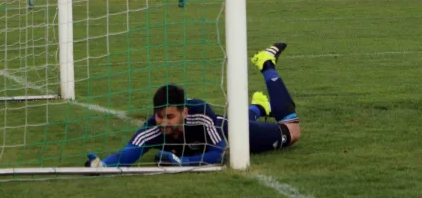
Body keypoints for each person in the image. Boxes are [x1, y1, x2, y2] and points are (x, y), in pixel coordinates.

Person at [85, 42, 301, 167]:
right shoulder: (155, 126)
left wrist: (183, 162)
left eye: (170, 117)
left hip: (226, 131)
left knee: (292, 131)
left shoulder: (201, 114)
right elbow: (131, 151)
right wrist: (102, 166)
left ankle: (266, 64)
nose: (163, 123)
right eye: (160, 116)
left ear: (184, 112)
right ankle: (259, 107)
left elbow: (219, 153)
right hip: (214, 133)